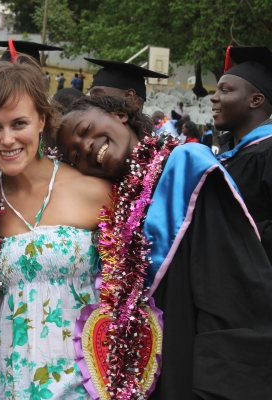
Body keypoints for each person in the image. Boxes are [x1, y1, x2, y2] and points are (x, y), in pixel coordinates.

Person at [57, 94, 272, 399]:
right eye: (74, 155)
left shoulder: (188, 169)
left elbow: (237, 296)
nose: (86, 148)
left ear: (119, 114)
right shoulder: (119, 217)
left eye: (85, 129)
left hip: (200, 381)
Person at [0, 54, 111, 399]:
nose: (7, 139)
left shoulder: (94, 190)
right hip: (8, 380)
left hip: (83, 383)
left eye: (19, 124)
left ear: (42, 121)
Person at [214, 45, 272, 263]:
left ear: (255, 100)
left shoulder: (267, 152)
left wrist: (226, 226)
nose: (214, 97)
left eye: (225, 90)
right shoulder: (230, 152)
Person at [85, 58, 168, 108]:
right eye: (91, 96)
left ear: (129, 97)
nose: (91, 102)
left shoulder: (151, 137)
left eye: (98, 96)